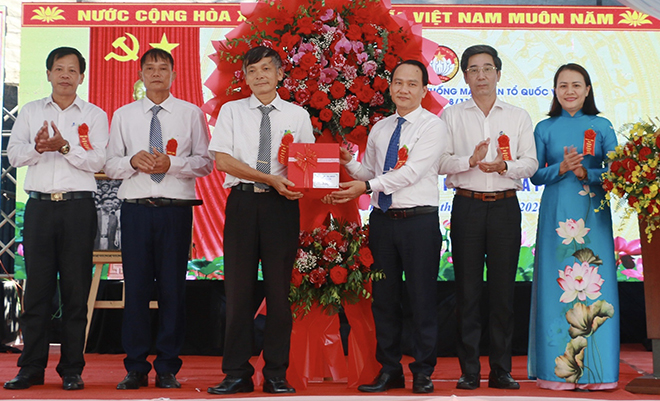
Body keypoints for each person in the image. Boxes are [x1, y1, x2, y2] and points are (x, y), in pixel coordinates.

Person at [327, 59, 445, 394]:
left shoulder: (432, 127)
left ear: (424, 90)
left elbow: (409, 174)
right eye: (398, 83)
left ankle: (423, 372)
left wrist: (365, 187)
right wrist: (346, 161)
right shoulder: (381, 128)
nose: (403, 89)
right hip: (382, 223)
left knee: (422, 299)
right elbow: (369, 172)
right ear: (390, 87)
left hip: (419, 222)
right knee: (384, 300)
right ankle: (389, 369)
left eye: (412, 84)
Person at [207, 46, 314, 395]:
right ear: (245, 77)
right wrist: (269, 178)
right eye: (252, 71)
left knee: (279, 294)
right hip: (242, 204)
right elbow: (222, 161)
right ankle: (236, 373)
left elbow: (307, 165)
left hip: (281, 208)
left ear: (280, 73)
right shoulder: (231, 112)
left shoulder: (297, 115)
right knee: (237, 293)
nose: (260, 76)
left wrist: (300, 183)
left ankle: (275, 374)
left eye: (267, 69)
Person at [105, 48, 213, 390]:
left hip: (174, 210)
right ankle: (135, 366)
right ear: (140, 74)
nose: (156, 73)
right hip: (135, 209)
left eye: (163, 68)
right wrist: (132, 162)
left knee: (172, 290)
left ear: (174, 75)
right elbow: (110, 165)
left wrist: (173, 164)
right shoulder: (123, 115)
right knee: (135, 290)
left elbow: (206, 163)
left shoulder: (190, 113)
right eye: (149, 68)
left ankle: (167, 366)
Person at [4, 47, 109, 390]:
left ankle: (72, 369)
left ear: (82, 77)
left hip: (78, 208)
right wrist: (38, 148)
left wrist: (65, 147)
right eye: (59, 69)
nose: (65, 75)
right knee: (37, 291)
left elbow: (98, 163)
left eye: (72, 70)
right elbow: (14, 155)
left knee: (76, 292)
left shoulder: (94, 115)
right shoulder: (32, 111)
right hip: (39, 208)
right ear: (48, 74)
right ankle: (31, 367)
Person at [438, 44, 538, 390]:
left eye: (487, 68)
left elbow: (531, 162)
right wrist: (470, 160)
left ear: (498, 73)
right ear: (465, 75)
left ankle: (501, 370)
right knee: (467, 292)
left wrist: (505, 166)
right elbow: (439, 162)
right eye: (474, 69)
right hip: (466, 205)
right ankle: (469, 371)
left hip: (505, 208)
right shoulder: (451, 115)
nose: (481, 76)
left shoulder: (518, 115)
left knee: (502, 293)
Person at [527, 63, 619, 390]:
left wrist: (587, 174)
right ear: (554, 91)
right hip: (557, 213)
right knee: (558, 285)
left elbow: (615, 171)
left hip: (593, 213)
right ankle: (558, 373)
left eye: (576, 85)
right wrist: (562, 168)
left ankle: (597, 373)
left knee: (596, 284)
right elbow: (535, 175)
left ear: (588, 90)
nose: (569, 91)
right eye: (563, 85)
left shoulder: (602, 125)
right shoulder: (544, 128)